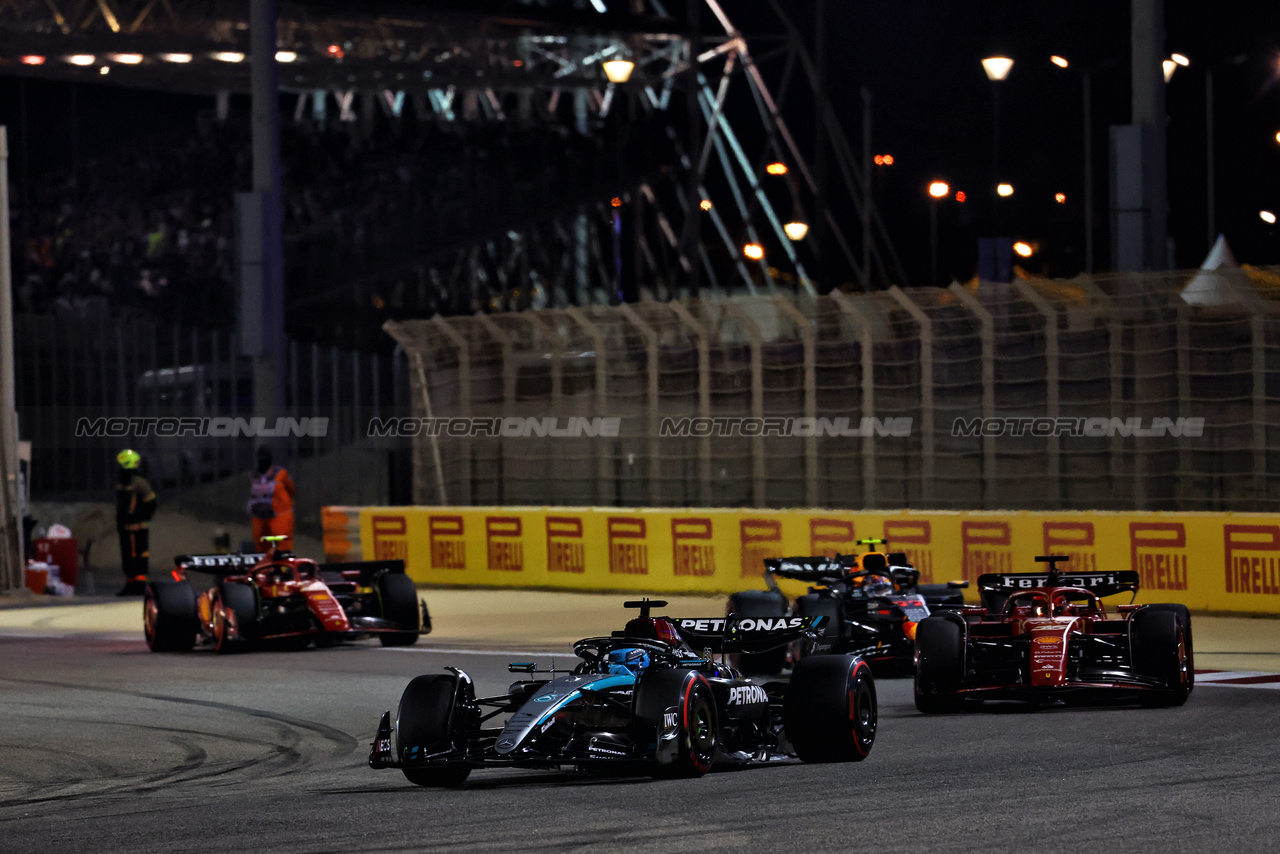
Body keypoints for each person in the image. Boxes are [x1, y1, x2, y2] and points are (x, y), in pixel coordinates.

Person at [115, 449, 156, 596]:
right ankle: (130, 584)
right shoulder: (123, 483)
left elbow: (150, 504)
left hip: (137, 529)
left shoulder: (139, 483)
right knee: (127, 558)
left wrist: (138, 519)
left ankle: (139, 586)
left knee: (138, 557)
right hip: (125, 528)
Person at [248, 448, 295, 552]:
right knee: (262, 548)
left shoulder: (281, 474)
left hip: (279, 516)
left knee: (282, 548)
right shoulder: (253, 476)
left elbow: (291, 490)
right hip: (260, 519)